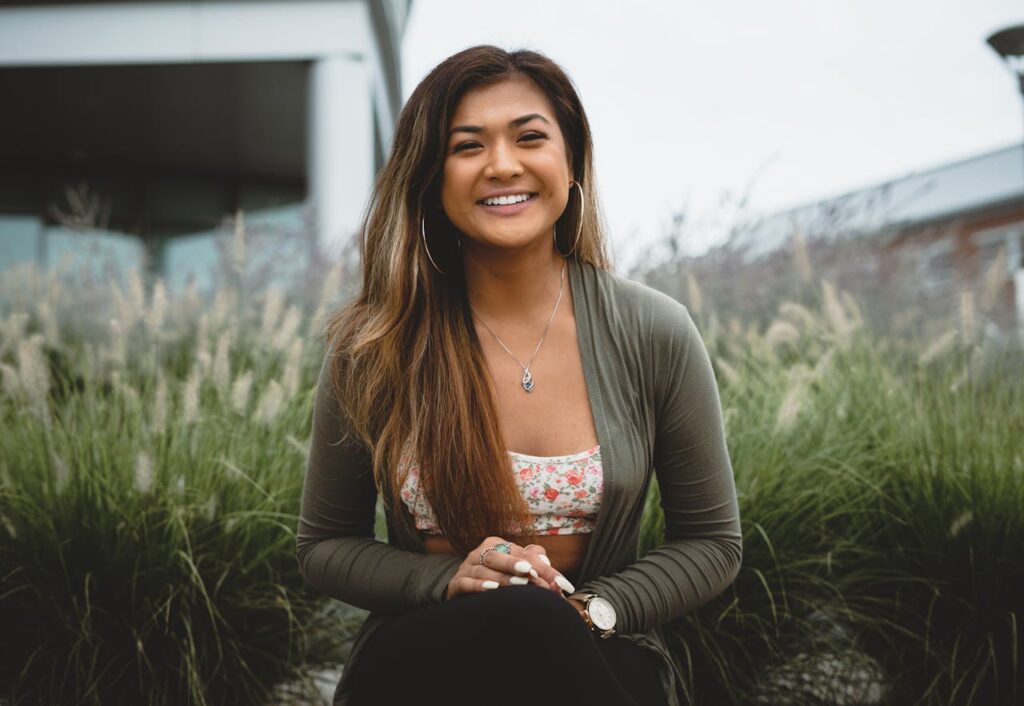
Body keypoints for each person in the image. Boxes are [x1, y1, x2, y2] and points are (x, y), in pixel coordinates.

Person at [297, 45, 742, 706]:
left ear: (571, 163)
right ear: (431, 177)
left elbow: (713, 543)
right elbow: (325, 545)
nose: (503, 165)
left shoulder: (654, 331)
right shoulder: (377, 343)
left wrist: (595, 610)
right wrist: (448, 580)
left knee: (543, 627)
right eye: (467, 146)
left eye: (530, 137)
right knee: (525, 618)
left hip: (601, 650)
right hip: (425, 659)